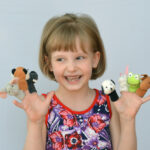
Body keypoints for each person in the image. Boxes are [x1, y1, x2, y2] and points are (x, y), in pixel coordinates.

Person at [13, 13, 150, 150]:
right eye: (60, 59)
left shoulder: (109, 103)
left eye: (79, 57)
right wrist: (35, 123)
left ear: (95, 59)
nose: (71, 68)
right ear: (49, 64)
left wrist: (128, 120)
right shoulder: (42, 107)